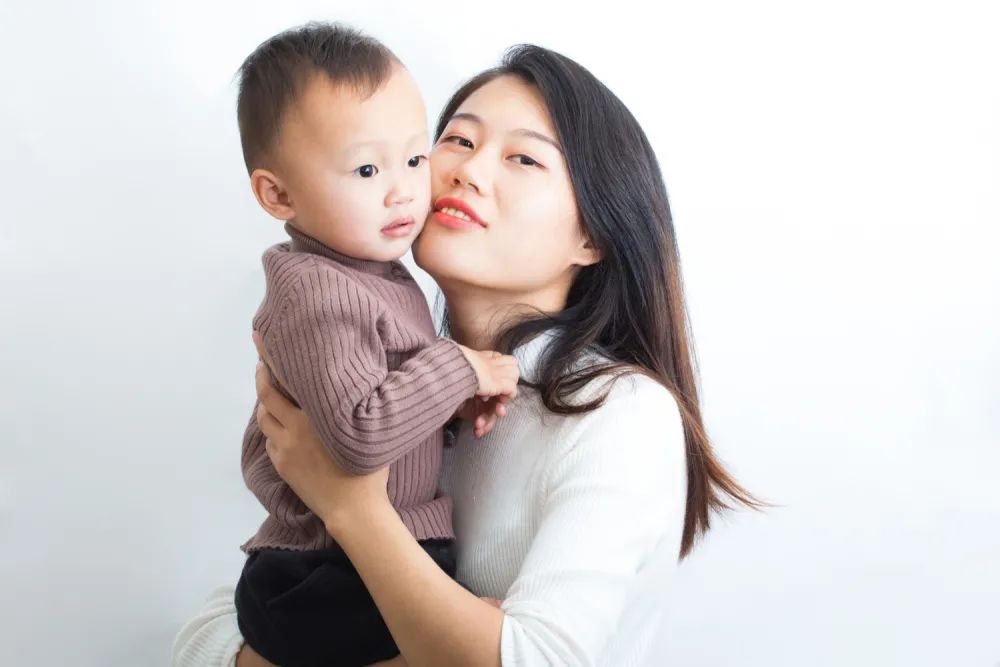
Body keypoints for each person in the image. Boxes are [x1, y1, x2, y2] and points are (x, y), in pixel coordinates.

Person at [173, 42, 760, 667]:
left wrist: (352, 509)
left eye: (524, 158)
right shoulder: (396, 373)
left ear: (591, 235)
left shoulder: (620, 412)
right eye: (456, 140)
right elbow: (210, 634)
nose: (468, 171)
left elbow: (536, 660)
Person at [228, 22, 519, 667]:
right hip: (326, 573)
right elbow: (360, 434)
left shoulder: (374, 273)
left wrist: (449, 403)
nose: (403, 190)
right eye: (366, 169)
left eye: (415, 160)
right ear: (278, 194)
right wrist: (459, 366)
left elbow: (380, 397)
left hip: (365, 553)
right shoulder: (319, 290)